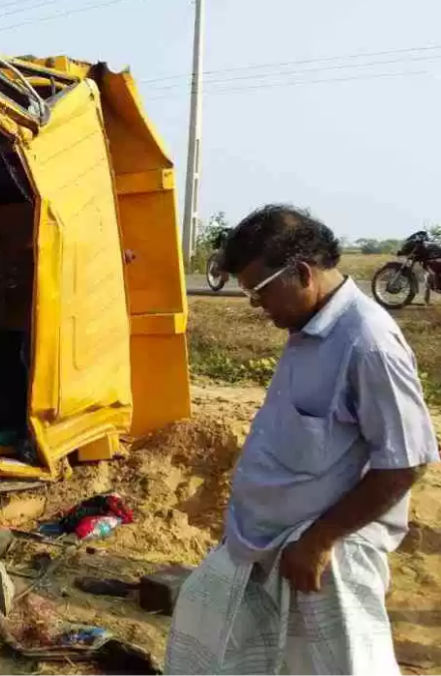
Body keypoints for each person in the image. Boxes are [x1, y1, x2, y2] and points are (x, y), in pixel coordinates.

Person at [166, 205, 439, 674]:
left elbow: (406, 460)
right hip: (262, 546)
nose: (256, 305)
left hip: (325, 559)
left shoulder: (367, 344)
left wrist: (319, 540)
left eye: (259, 292)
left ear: (303, 273)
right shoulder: (306, 330)